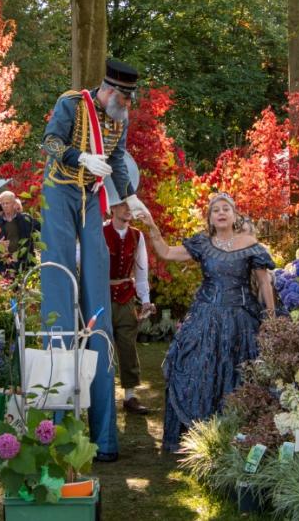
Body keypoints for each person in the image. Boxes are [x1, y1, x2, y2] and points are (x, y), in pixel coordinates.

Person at [39, 58, 151, 462]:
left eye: (129, 99)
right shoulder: (72, 102)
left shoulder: (119, 119)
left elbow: (118, 159)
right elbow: (50, 142)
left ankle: (104, 439)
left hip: (92, 199)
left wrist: (129, 194)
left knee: (96, 301)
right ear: (107, 91)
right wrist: (80, 158)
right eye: (123, 97)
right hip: (60, 192)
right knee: (59, 284)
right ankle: (55, 432)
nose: (125, 104)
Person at [138, 193, 276, 453]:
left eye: (226, 209)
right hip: (206, 318)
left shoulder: (249, 243)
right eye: (216, 210)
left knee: (237, 372)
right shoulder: (203, 244)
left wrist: (270, 317)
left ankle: (238, 436)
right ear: (211, 219)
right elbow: (166, 252)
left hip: (241, 320)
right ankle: (200, 436)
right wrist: (152, 227)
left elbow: (264, 282)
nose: (221, 213)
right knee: (196, 367)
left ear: (234, 216)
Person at [104, 199, 157, 415]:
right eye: (122, 205)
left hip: (125, 295)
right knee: (99, 345)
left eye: (130, 206)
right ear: (112, 208)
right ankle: (101, 395)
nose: (127, 210)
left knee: (127, 345)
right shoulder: (98, 231)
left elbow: (141, 270)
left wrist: (145, 300)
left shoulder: (137, 235)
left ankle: (129, 396)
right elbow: (81, 258)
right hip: (101, 296)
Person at [0, 190, 40, 275]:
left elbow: (42, 231)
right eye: (2, 204)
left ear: (14, 203)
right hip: (5, 265)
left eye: (7, 203)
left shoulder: (26, 219)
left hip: (25, 263)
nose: (5, 206)